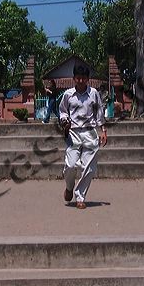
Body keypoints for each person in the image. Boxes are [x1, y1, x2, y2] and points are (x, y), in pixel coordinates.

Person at [58, 63, 107, 209]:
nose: (80, 81)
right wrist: (65, 121)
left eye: (83, 78)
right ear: (74, 78)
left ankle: (80, 196)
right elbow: (62, 111)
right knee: (70, 165)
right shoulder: (68, 95)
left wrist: (103, 130)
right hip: (73, 133)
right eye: (78, 78)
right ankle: (69, 187)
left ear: (88, 79)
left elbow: (99, 113)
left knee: (89, 168)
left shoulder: (94, 94)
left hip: (90, 132)